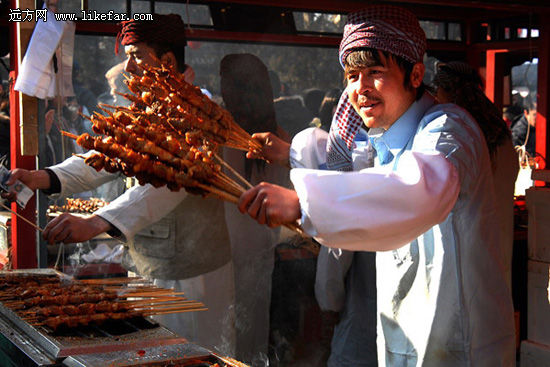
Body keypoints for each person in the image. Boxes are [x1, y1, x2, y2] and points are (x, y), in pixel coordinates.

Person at [238, 5, 515, 366]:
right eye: (352, 76)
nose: (360, 88)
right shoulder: (382, 143)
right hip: (405, 340)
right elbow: (348, 172)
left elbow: (418, 189)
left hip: (462, 348)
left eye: (375, 72)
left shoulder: (448, 129)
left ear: (415, 75)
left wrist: (303, 204)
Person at [2, 14, 236, 355]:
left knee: (197, 356)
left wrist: (97, 222)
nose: (127, 67)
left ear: (168, 61)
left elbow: (173, 182)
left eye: (136, 55)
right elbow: (108, 156)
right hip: (146, 265)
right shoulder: (147, 108)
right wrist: (45, 176)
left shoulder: (199, 111)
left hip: (194, 275)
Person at [219, 53, 290, 364]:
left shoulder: (221, 133)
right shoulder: (280, 135)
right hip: (261, 252)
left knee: (225, 342)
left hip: (223, 258)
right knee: (249, 342)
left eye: (225, 84)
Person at [432, 60, 519, 292]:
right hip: (499, 238)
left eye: (438, 90)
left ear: (449, 90)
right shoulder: (498, 128)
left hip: (467, 242)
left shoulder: (458, 128)